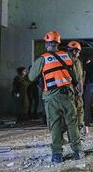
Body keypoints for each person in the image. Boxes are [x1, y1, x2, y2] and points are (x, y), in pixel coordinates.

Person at [28, 31, 82, 163]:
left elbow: (30, 77)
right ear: (58, 43)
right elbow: (77, 77)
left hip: (51, 97)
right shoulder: (67, 56)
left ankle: (57, 155)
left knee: (55, 124)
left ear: (46, 43)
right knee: (72, 123)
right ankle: (77, 152)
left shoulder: (43, 59)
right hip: (67, 95)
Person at [66, 41, 88, 135]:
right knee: (71, 111)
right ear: (74, 51)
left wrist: (81, 88)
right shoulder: (65, 61)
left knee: (80, 108)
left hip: (78, 90)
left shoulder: (78, 62)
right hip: (69, 90)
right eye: (78, 51)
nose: (79, 53)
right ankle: (72, 132)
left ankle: (79, 128)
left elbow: (80, 76)